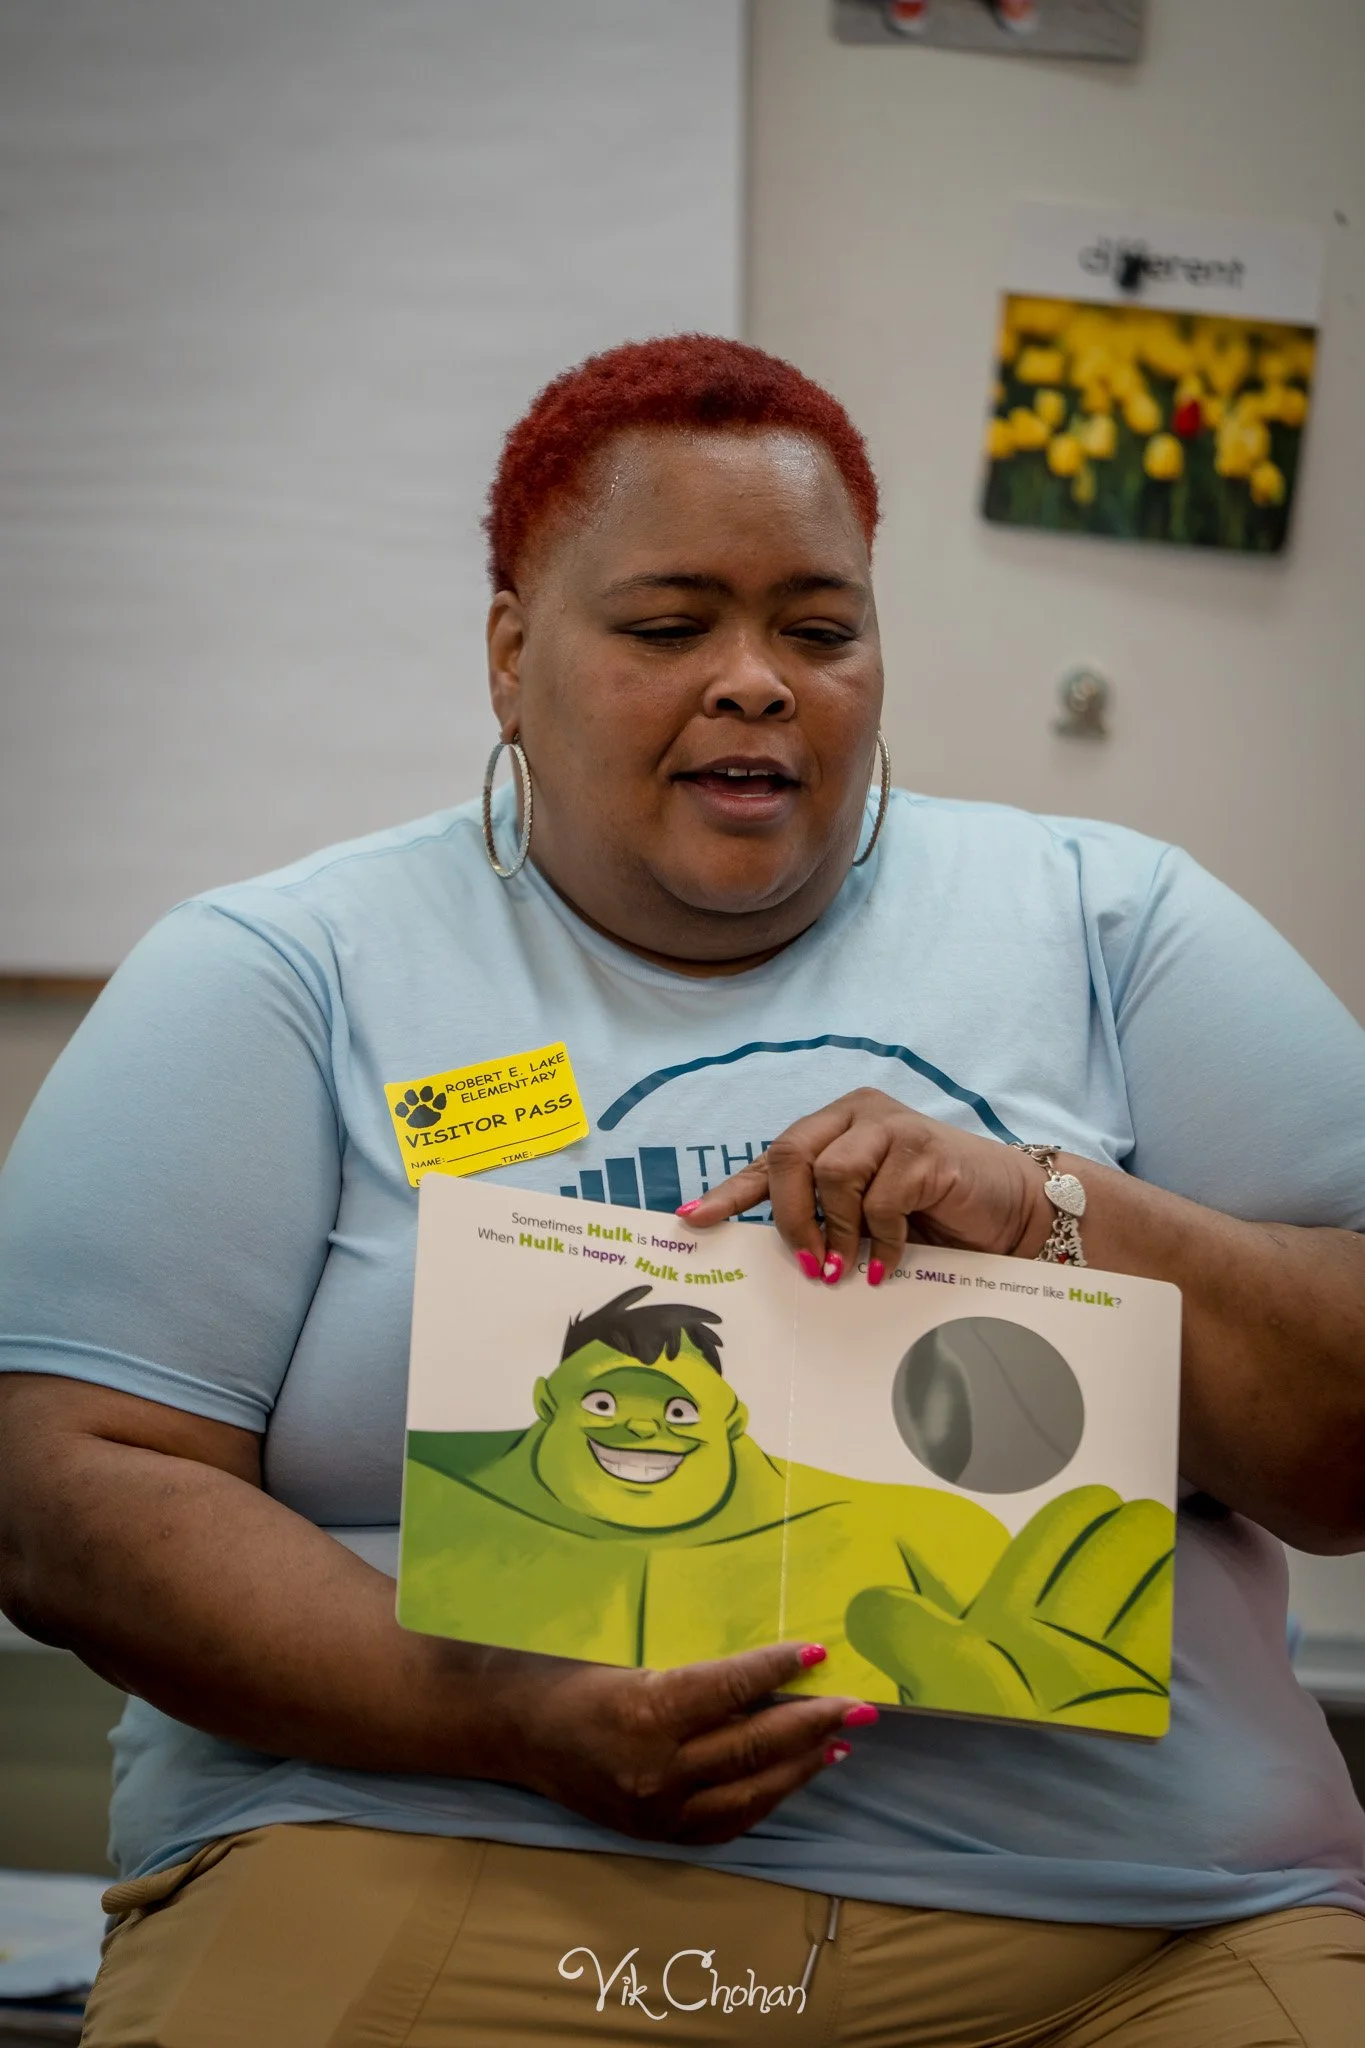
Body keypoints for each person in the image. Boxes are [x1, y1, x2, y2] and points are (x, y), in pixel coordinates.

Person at [0, 334, 1363, 2045]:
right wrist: (505, 1711)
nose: (756, 682)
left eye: (820, 627)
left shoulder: (1114, 925)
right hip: (435, 1851)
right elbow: (64, 1498)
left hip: (1136, 1932)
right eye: (666, 628)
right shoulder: (282, 972)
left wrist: (1052, 1211)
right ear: (511, 655)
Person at [401, 1283, 1176, 1728]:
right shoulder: (438, 1484)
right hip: (456, 1831)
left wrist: (1037, 1712)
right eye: (603, 1402)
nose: (638, 1427)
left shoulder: (906, 1534)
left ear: (732, 1418)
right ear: (546, 1400)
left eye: (675, 1414)